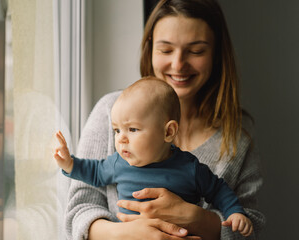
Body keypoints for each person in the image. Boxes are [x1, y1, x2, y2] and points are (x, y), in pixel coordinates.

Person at [64, 0, 265, 239]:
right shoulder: (112, 112)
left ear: (216, 53)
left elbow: (252, 230)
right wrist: (124, 234)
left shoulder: (235, 141)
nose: (178, 64)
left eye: (196, 51)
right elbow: (77, 212)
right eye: (166, 50)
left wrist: (197, 219)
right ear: (150, 49)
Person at [54, 78, 253, 237]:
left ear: (168, 132)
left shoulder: (190, 168)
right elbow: (94, 172)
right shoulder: (118, 163)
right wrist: (70, 163)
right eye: (116, 130)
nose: (121, 138)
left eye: (132, 129)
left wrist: (235, 212)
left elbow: (218, 190)